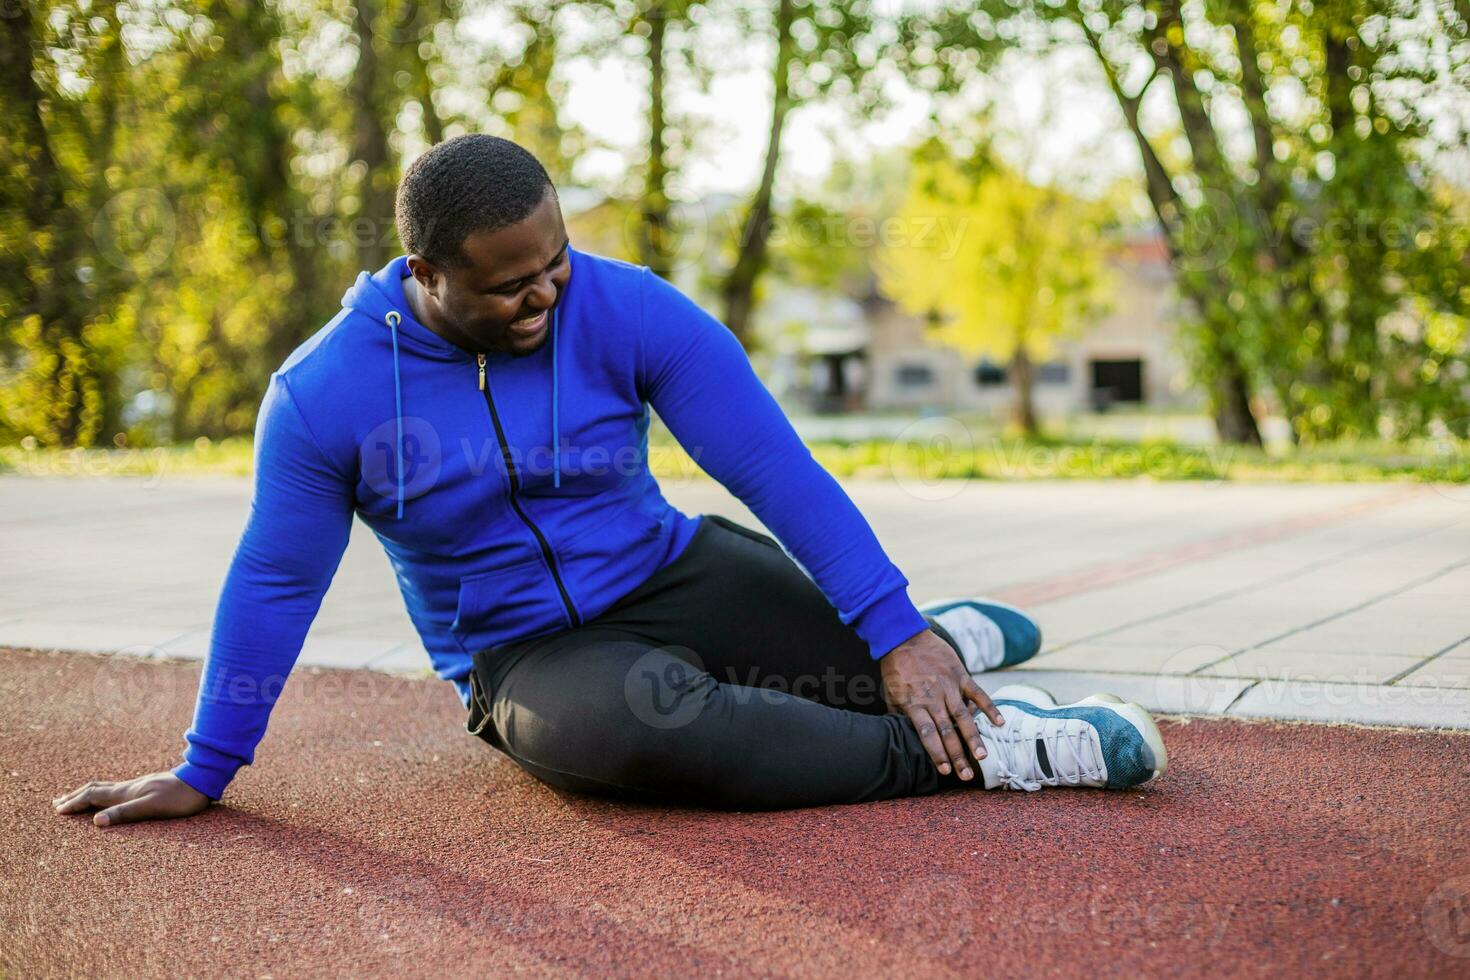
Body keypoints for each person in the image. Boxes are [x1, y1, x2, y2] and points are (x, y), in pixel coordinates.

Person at [52, 135, 1167, 826]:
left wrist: (892, 625)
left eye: (557, 264)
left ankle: (939, 641)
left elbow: (771, 467)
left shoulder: (628, 303)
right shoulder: (324, 393)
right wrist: (208, 763)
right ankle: (990, 751)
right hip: (529, 652)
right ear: (426, 272)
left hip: (679, 570)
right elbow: (275, 580)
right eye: (510, 288)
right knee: (653, 735)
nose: (546, 298)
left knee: (872, 655)